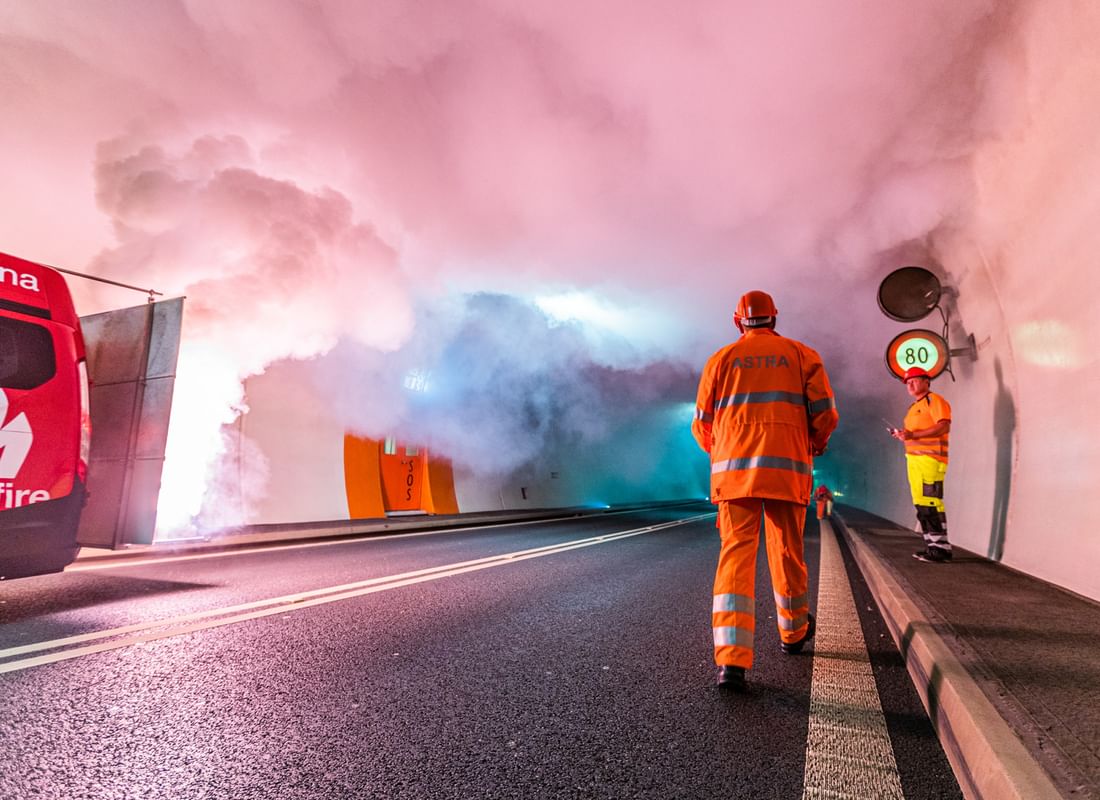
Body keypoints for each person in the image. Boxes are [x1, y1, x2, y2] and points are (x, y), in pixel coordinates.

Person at [692, 290, 839, 691]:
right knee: (787, 550)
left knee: (736, 557)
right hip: (786, 473)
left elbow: (702, 424)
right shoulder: (801, 355)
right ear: (774, 319)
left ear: (737, 321)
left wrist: (722, 449)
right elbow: (825, 414)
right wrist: (813, 444)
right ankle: (792, 633)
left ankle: (732, 662)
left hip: (735, 475)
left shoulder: (720, 360)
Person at [890, 366, 952, 562]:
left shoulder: (933, 401)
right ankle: (932, 545)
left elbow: (944, 425)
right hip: (915, 460)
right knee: (921, 504)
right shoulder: (912, 408)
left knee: (931, 503)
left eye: (914, 380)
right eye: (908, 382)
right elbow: (914, 433)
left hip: (930, 459)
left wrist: (913, 435)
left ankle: (941, 549)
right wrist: (904, 435)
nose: (910, 384)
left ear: (926, 381)